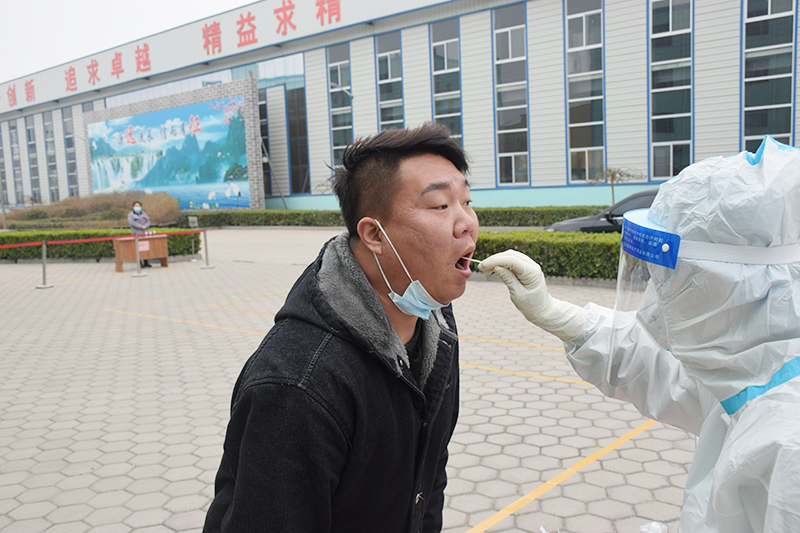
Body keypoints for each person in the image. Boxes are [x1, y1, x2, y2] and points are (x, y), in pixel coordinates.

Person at [479, 136, 800, 532]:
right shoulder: (756, 367)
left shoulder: (788, 444)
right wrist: (555, 315)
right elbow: (669, 375)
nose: (656, 290)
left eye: (670, 276)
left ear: (731, 284)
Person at [203, 122, 479, 532]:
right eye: (440, 206)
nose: (467, 223)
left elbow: (428, 480)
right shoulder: (298, 385)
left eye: (468, 202)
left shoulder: (436, 326)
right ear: (374, 234)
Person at [128, 200, 151, 267]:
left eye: (139, 206)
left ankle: (146, 262)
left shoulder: (143, 213)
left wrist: (146, 226)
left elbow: (148, 221)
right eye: (136, 206)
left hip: (145, 233)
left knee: (145, 248)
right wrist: (141, 227)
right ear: (133, 207)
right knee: (138, 249)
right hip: (137, 234)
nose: (137, 207)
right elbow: (132, 223)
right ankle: (140, 263)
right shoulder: (131, 215)